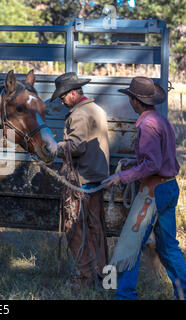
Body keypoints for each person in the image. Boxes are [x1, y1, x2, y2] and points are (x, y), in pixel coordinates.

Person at [102, 76, 186, 300]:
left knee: (130, 245)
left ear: (135, 101)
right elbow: (160, 158)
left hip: (153, 192)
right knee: (168, 247)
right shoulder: (161, 120)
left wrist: (122, 177)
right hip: (168, 187)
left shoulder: (146, 124)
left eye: (131, 97)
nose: (130, 102)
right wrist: (134, 164)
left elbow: (152, 164)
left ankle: (125, 296)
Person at [52, 72, 110, 286]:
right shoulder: (96, 110)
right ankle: (104, 278)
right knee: (96, 229)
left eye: (63, 95)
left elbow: (76, 146)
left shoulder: (79, 114)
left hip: (82, 181)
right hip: (95, 177)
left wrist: (52, 148)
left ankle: (86, 277)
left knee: (75, 228)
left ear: (74, 93)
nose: (61, 99)